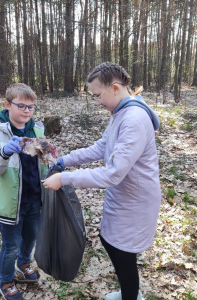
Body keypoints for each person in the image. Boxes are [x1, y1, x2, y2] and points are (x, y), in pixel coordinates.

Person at [42, 62, 161, 300]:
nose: (97, 102)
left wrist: (65, 178)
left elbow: (113, 173)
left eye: (98, 95)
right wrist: (65, 161)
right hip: (123, 196)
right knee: (111, 243)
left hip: (135, 202)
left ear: (115, 88)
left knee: (122, 252)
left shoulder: (134, 119)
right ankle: (129, 292)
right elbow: (102, 146)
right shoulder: (120, 113)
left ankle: (131, 296)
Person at [0, 83, 47, 300]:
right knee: (10, 245)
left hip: (34, 197)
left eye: (31, 107)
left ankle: (24, 263)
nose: (27, 111)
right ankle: (6, 281)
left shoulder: (37, 129)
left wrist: (53, 163)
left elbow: (42, 161)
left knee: (30, 237)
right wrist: (4, 152)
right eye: (21, 106)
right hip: (9, 203)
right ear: (7, 105)